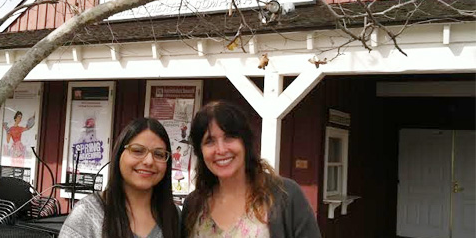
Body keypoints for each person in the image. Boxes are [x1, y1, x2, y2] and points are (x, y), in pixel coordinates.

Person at [181, 101, 321, 238]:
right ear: (200, 152)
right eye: (209, 141)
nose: (221, 150)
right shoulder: (193, 205)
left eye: (229, 137)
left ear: (245, 143)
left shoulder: (285, 194)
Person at [59, 118, 180, 238]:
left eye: (159, 154)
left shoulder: (174, 215)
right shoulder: (88, 213)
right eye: (137, 150)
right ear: (119, 155)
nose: (149, 161)